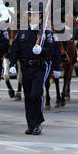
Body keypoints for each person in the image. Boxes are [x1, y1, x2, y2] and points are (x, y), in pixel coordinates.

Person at [8, 7, 60, 135]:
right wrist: (12, 63)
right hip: (26, 67)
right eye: (31, 14)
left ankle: (37, 123)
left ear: (41, 16)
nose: (33, 17)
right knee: (28, 96)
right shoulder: (22, 32)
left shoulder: (46, 33)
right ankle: (30, 125)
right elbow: (15, 49)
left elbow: (53, 50)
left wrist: (42, 51)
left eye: (36, 14)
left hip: (40, 66)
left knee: (36, 94)